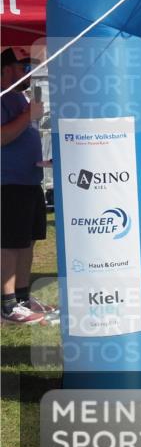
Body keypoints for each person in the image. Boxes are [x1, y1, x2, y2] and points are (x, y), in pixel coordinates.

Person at [1, 49, 56, 324]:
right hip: (7, 183)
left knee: (27, 241)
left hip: (30, 179)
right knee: (9, 244)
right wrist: (29, 115)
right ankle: (7, 304)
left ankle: (21, 298)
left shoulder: (18, 97)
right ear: (7, 69)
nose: (29, 72)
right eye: (24, 67)